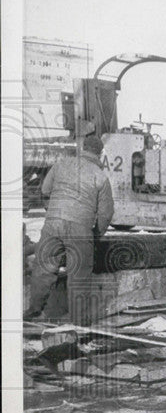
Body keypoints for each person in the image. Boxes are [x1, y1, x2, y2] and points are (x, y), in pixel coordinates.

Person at [25, 134, 115, 324]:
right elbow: (106, 214)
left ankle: (34, 311)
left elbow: (45, 191)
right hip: (80, 229)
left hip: (53, 224)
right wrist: (95, 235)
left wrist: (53, 212)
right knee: (79, 276)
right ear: (99, 153)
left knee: (43, 267)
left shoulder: (61, 164)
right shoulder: (100, 177)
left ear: (83, 147)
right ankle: (77, 323)